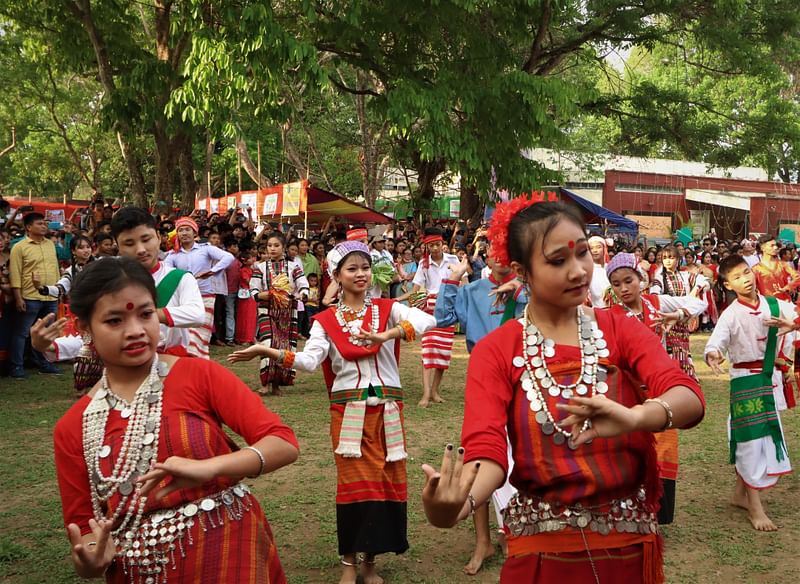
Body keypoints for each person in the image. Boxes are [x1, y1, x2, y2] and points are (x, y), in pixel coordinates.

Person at [420, 197, 705, 584]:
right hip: (541, 554)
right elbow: (487, 450)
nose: (579, 271)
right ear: (522, 271)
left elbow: (686, 394)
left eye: (583, 253)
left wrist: (636, 417)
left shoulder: (619, 329)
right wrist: (457, 505)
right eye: (558, 261)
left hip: (629, 548)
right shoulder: (497, 350)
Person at [49, 258, 299, 583]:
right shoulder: (73, 426)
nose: (136, 330)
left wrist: (211, 467)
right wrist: (92, 559)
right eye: (114, 320)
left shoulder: (198, 374)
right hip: (136, 568)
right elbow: (85, 532)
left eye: (145, 313)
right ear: (84, 329)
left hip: (227, 542)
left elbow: (283, 443)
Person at [228, 240, 435, 584]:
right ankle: (349, 564)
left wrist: (386, 335)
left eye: (365, 268)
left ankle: (370, 562)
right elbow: (310, 361)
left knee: (385, 483)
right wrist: (268, 350)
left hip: (387, 411)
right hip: (349, 412)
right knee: (355, 485)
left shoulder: (386, 309)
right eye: (351, 269)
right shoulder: (325, 321)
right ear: (336, 276)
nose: (361, 274)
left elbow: (427, 319)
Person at [434, 246, 526, 575]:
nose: (500, 257)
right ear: (486, 258)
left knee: (521, 457)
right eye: (494, 251)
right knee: (480, 454)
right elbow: (443, 319)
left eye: (507, 251)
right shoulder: (473, 290)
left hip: (523, 380)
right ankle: (482, 541)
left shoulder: (531, 290)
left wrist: (522, 289)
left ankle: (516, 533)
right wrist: (452, 279)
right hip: (484, 380)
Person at [605, 253, 707, 525]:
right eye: (616, 284)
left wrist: (677, 314)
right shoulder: (611, 316)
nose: (623, 288)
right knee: (630, 449)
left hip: (659, 390)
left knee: (662, 448)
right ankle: (630, 511)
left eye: (628, 281)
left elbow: (698, 303)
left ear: (642, 279)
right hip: (628, 393)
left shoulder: (655, 304)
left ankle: (656, 513)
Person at [34, 208, 206, 365]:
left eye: (146, 239)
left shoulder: (179, 278)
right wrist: (48, 346)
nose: (140, 250)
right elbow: (93, 335)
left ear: (159, 237)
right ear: (117, 244)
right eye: (129, 244)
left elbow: (197, 315)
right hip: (123, 370)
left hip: (169, 367)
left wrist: (146, 314)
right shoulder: (107, 279)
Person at [704, 255, 793, 532]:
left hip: (769, 380)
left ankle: (739, 494)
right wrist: (714, 355)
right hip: (744, 381)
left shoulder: (773, 305)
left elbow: (795, 317)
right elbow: (715, 343)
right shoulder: (731, 314)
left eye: (747, 272)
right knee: (750, 440)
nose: (746, 279)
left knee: (761, 435)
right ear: (728, 285)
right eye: (737, 277)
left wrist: (792, 326)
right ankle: (755, 507)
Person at [397, 227, 459, 407]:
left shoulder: (454, 260)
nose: (435, 248)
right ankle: (425, 393)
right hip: (429, 310)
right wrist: (397, 299)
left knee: (442, 352)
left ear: (443, 244)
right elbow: (414, 292)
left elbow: (463, 283)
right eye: (431, 245)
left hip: (448, 309)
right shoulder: (423, 265)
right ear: (426, 246)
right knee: (428, 351)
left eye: (437, 244)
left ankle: (434, 391)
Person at [164, 216, 235, 359]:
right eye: (181, 230)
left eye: (187, 230)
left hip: (206, 296)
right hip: (184, 299)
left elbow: (229, 258)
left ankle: (199, 364)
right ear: (177, 234)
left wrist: (212, 271)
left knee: (201, 335)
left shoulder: (206, 249)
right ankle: (191, 365)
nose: (184, 233)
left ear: (194, 232)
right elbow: (166, 273)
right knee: (187, 335)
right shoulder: (173, 255)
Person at [250, 232, 309, 395]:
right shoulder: (259, 267)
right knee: (268, 343)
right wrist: (263, 294)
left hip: (288, 312)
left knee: (284, 346)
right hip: (266, 310)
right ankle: (265, 383)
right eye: (270, 246)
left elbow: (303, 285)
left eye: (276, 245)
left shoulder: (294, 267)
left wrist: (303, 294)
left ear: (283, 248)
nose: (272, 249)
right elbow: (253, 289)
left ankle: (277, 384)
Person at [8, 212, 62, 378]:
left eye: (44, 223)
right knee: (22, 333)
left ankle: (43, 364)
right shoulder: (19, 247)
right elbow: (15, 273)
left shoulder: (50, 245)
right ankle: (16, 367)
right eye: (39, 223)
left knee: (44, 333)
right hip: (29, 296)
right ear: (28, 227)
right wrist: (18, 297)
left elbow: (55, 268)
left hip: (50, 295)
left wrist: (58, 290)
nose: (44, 226)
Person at [650, 245, 708, 377]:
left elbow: (705, 281)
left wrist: (696, 289)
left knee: (683, 351)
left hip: (682, 322)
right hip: (666, 320)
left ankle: (684, 379)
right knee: (669, 352)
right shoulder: (659, 278)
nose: (668, 261)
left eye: (671, 257)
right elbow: (654, 294)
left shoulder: (685, 276)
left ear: (678, 259)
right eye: (665, 258)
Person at [752, 234, 800, 302]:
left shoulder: (783, 264)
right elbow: (752, 289)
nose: (775, 247)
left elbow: (798, 277)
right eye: (772, 245)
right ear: (763, 248)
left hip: (785, 302)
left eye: (775, 245)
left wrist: (787, 288)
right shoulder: (755, 269)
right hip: (767, 305)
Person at [235, 251, 258, 345]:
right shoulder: (244, 270)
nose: (252, 259)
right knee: (246, 317)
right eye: (250, 258)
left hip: (250, 295)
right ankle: (245, 338)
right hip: (247, 295)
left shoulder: (251, 270)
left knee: (251, 317)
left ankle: (251, 337)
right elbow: (248, 281)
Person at [587, 235, 610, 307]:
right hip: (597, 311)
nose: (595, 250)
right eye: (592, 248)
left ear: (604, 249)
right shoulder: (588, 270)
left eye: (598, 247)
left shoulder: (610, 267)